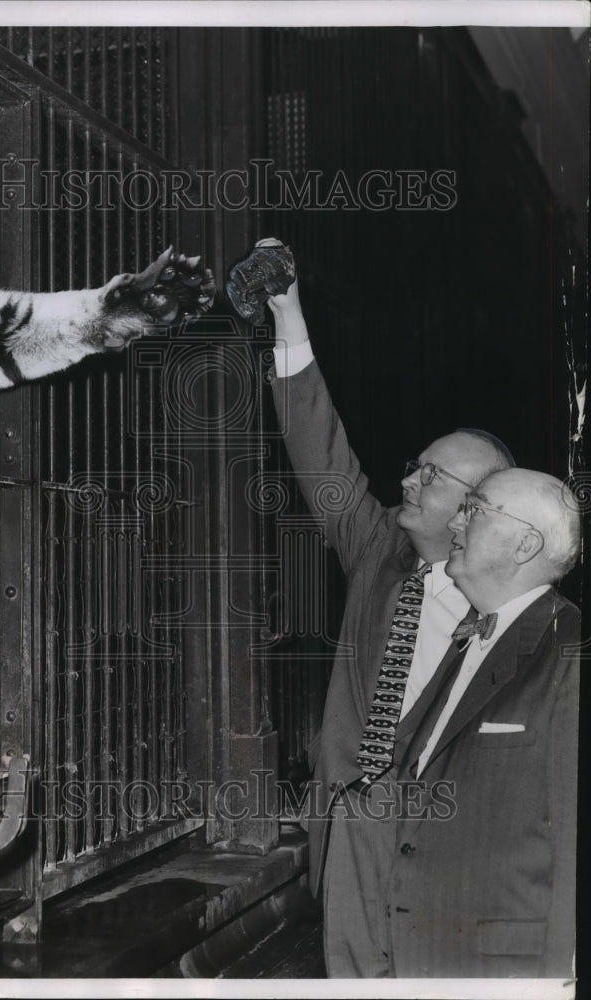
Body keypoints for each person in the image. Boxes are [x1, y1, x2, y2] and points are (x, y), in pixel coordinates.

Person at [243, 240, 516, 976]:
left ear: (473, 512)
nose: (410, 478)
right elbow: (319, 451)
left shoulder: (519, 614)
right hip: (360, 823)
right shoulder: (376, 552)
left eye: (431, 475)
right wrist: (287, 315)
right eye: (415, 466)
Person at [387, 468, 580, 978]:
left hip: (508, 970)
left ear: (525, 544)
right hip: (426, 955)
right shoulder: (468, 637)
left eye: (475, 509)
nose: (456, 522)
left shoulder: (572, 653)